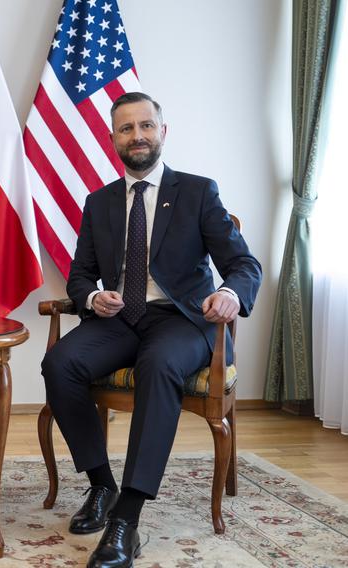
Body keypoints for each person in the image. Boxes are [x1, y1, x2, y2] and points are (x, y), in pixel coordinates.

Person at [41, 93, 261, 568]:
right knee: (60, 363)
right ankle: (102, 483)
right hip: (120, 318)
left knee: (158, 363)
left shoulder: (198, 192)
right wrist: (92, 297)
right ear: (113, 138)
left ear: (163, 131)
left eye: (145, 126)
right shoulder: (98, 202)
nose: (136, 135)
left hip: (182, 320)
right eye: (126, 128)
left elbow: (243, 263)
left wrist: (230, 294)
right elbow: (80, 274)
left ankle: (128, 516)